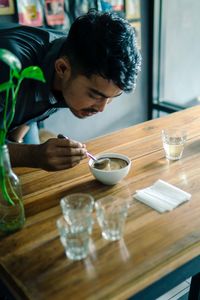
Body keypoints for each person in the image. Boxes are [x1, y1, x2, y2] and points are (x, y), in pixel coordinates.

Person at [0, 10, 141, 171]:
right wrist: (32, 155)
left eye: (111, 97)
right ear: (62, 68)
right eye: (94, 95)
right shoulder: (9, 68)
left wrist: (14, 140)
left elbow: (32, 103)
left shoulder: (72, 57)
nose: (102, 108)